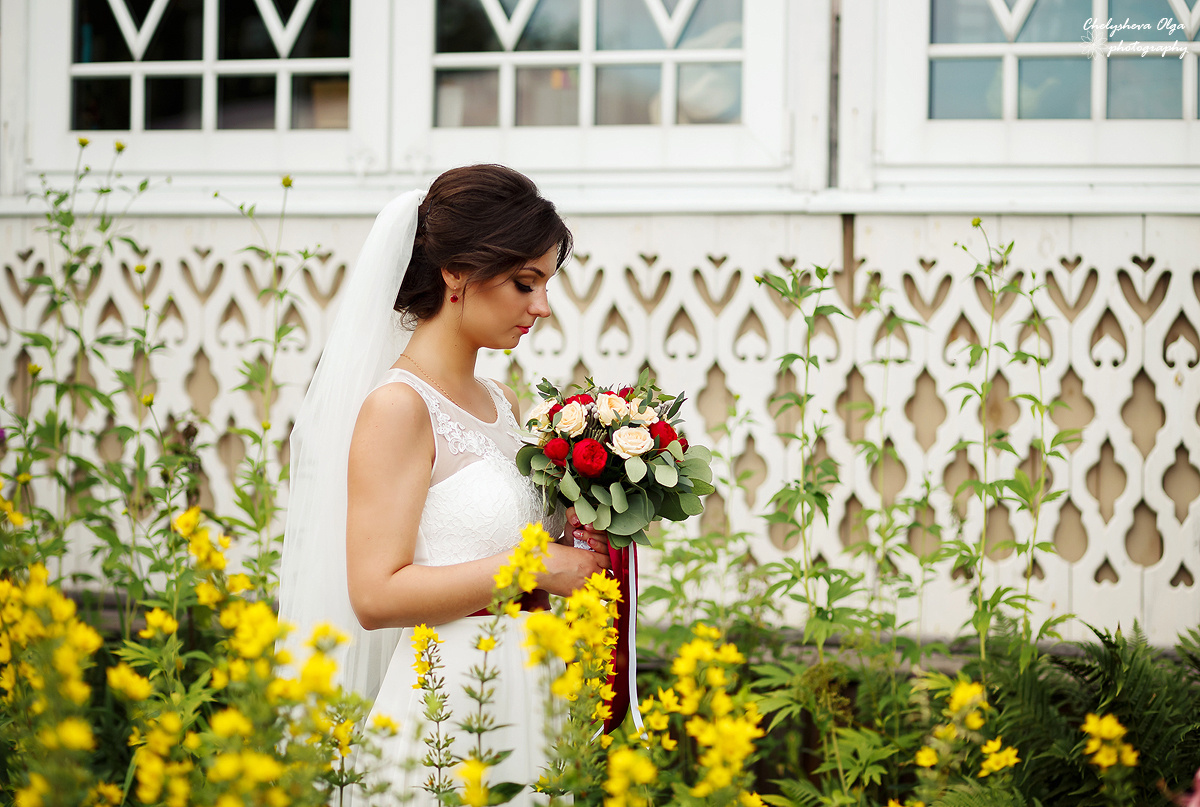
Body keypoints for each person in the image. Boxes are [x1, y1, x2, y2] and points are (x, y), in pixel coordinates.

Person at [278, 165, 609, 805]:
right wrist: (535, 564)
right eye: (525, 283)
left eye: (544, 284)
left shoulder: (501, 401)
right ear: (455, 273)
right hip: (450, 714)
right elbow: (375, 594)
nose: (541, 306)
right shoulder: (398, 408)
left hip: (529, 690)